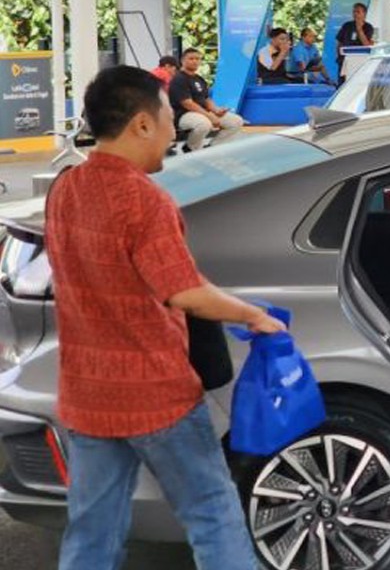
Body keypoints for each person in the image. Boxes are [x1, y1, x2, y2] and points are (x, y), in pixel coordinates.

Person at [45, 65, 287, 570]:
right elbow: (183, 292)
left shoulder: (65, 189)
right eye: (166, 115)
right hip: (156, 394)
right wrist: (254, 317)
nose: (173, 126)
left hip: (88, 394)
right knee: (212, 513)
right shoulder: (145, 200)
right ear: (140, 124)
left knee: (93, 528)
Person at [169, 48, 245, 151]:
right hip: (184, 114)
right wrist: (209, 115)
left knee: (236, 121)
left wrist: (216, 110)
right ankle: (191, 148)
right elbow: (187, 103)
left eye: (197, 59)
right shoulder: (178, 78)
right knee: (204, 124)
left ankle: (213, 148)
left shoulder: (199, 79)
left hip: (203, 112)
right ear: (182, 60)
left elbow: (206, 99)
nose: (195, 61)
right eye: (191, 58)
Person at [336, 3, 376, 82]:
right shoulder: (347, 25)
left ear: (364, 14)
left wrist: (359, 29)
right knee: (342, 84)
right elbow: (339, 42)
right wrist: (339, 57)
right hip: (345, 61)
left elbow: (367, 45)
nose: (355, 14)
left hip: (360, 62)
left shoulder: (368, 27)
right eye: (354, 12)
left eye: (358, 12)